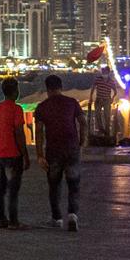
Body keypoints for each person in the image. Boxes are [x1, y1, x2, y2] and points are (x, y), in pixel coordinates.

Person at [35, 74, 86, 231]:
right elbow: (83, 123)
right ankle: (72, 215)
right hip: (72, 148)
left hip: (53, 150)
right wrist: (82, 143)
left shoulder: (42, 107)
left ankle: (57, 218)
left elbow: (39, 132)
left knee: (54, 185)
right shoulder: (72, 103)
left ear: (47, 89)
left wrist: (39, 155)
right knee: (74, 183)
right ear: (61, 87)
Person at [0, 78, 32, 230]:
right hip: (13, 153)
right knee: (13, 190)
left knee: (0, 189)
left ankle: (1, 219)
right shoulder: (16, 109)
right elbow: (19, 133)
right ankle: (13, 221)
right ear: (15, 92)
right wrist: (25, 155)